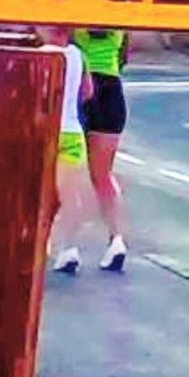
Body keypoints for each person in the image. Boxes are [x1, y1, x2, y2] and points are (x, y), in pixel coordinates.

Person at [72, 28, 130, 272]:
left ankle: (68, 246)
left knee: (68, 171)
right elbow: (123, 55)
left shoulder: (77, 17)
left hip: (79, 85)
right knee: (103, 175)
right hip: (111, 89)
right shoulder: (117, 21)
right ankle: (117, 240)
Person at [41, 25, 97, 273]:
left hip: (45, 131)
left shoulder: (41, 56)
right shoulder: (77, 54)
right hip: (72, 131)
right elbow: (88, 92)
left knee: (41, 193)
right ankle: (69, 248)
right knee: (68, 194)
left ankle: (41, 242)